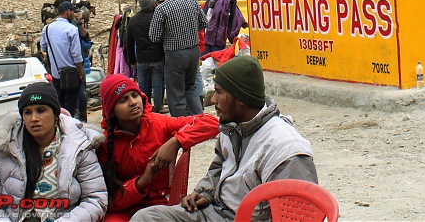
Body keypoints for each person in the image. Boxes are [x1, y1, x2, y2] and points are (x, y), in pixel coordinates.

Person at [131, 55, 317, 222]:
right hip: (214, 212)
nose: (213, 100)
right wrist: (205, 192)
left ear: (240, 98)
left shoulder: (285, 149)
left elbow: (298, 214)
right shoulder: (232, 127)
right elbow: (219, 166)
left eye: (219, 92)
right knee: (145, 218)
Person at [96, 75, 219, 221]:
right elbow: (109, 200)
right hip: (126, 207)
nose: (133, 102)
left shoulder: (159, 123)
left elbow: (210, 122)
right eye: (123, 100)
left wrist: (175, 142)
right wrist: (142, 181)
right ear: (111, 110)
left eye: (134, 95)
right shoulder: (104, 144)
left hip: (162, 204)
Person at [0, 82, 107, 221]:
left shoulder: (79, 147)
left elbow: (95, 199)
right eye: (27, 112)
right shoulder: (5, 148)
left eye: (41, 110)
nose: (34, 118)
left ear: (55, 114)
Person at [150, 0, 207, 117]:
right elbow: (203, 23)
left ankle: (181, 125)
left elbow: (154, 36)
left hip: (175, 53)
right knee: (191, 87)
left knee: (176, 93)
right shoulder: (192, 1)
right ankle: (199, 120)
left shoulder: (162, 8)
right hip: (193, 50)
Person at [40, 0, 84, 117]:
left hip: (56, 74)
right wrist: (80, 72)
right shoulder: (71, 29)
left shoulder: (47, 28)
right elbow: (76, 55)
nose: (73, 14)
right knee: (70, 106)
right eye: (72, 11)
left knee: (58, 104)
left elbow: (43, 47)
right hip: (71, 74)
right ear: (67, 12)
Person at [126, 0, 165, 112]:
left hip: (142, 59)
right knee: (158, 83)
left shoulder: (133, 21)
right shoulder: (157, 18)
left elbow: (129, 42)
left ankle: (144, 107)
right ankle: (158, 108)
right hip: (157, 57)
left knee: (143, 85)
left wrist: (132, 60)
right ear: (151, 4)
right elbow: (163, 37)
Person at [73, 10, 94, 122]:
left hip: (80, 67)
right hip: (78, 68)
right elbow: (87, 44)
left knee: (80, 96)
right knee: (81, 96)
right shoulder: (72, 29)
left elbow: (86, 41)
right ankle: (81, 119)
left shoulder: (76, 27)